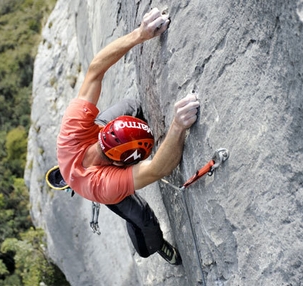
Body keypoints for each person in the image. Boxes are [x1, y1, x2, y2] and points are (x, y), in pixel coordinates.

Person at [57, 8, 200, 265]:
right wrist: (178, 125)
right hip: (98, 181)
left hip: (93, 139)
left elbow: (95, 71)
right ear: (120, 164)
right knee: (144, 219)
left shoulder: (74, 130)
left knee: (134, 104)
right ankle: (155, 247)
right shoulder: (105, 185)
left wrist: (140, 34)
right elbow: (158, 168)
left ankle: (117, 137)